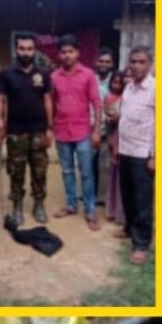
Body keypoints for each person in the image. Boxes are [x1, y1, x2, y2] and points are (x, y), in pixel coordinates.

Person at [0, 31, 53, 225]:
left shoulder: (43, 73)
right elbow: (0, 98)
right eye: (22, 48)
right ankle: (17, 205)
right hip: (15, 131)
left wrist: (50, 128)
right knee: (16, 170)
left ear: (35, 50)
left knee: (39, 170)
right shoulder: (6, 73)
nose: (26, 52)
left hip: (38, 130)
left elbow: (47, 99)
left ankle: (39, 205)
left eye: (29, 49)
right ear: (16, 49)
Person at [50, 35, 102, 231]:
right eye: (63, 52)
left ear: (77, 53)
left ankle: (90, 209)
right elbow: (51, 104)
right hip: (62, 130)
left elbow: (96, 103)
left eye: (70, 51)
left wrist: (96, 130)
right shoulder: (54, 77)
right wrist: (50, 127)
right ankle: (71, 204)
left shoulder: (88, 75)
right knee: (66, 171)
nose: (67, 55)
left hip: (83, 131)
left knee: (86, 172)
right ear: (59, 54)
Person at [117, 47, 155, 265]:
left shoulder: (156, 88)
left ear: (149, 63)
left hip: (143, 153)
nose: (137, 66)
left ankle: (141, 245)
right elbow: (125, 117)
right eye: (133, 61)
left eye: (141, 62)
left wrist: (155, 156)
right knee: (128, 195)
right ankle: (129, 229)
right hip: (125, 149)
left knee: (142, 200)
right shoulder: (129, 88)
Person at [93, 47, 115, 207]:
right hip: (91, 128)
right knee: (89, 164)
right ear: (96, 62)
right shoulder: (90, 80)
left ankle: (104, 198)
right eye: (101, 61)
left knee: (106, 165)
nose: (103, 64)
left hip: (109, 130)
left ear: (112, 64)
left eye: (107, 62)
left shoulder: (116, 82)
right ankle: (90, 195)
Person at [104, 71, 126, 225]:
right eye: (114, 82)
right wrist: (112, 118)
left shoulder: (127, 98)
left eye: (120, 82)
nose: (117, 85)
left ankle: (121, 211)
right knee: (113, 173)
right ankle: (112, 209)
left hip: (127, 138)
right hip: (114, 136)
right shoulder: (109, 98)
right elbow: (108, 115)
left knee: (123, 177)